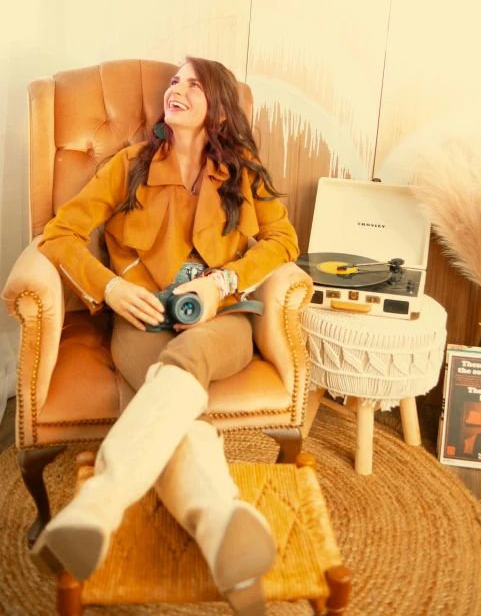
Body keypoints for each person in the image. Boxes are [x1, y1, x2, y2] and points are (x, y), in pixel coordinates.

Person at [31, 57, 299, 611]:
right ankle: (224, 526)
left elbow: (283, 243)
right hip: (142, 321)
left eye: (194, 84)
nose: (177, 89)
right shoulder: (127, 167)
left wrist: (224, 281)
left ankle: (97, 506)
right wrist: (108, 289)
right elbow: (58, 234)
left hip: (223, 320)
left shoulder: (244, 173)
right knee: (179, 414)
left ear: (218, 106)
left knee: (181, 366)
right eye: (175, 81)